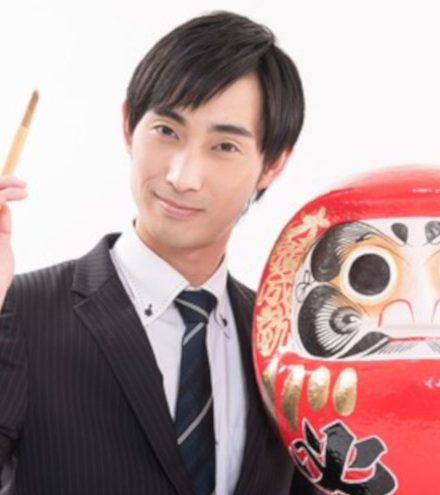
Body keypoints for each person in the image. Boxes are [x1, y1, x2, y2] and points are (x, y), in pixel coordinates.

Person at [0, 11, 307, 495]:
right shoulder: (18, 311)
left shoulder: (288, 343)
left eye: (224, 146)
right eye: (166, 130)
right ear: (129, 125)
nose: (182, 177)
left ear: (273, 163)